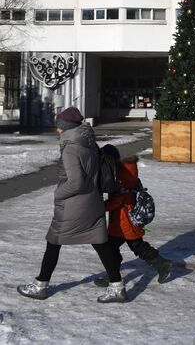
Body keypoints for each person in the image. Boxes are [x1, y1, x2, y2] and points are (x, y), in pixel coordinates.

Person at [17, 107, 127, 303]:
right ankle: (117, 287)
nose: (57, 129)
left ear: (65, 127)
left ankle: (40, 285)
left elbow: (76, 182)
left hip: (73, 206)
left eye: (59, 126)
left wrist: (58, 193)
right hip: (92, 202)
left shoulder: (70, 148)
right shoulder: (90, 143)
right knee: (100, 243)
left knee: (54, 242)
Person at [94, 145, 171, 288]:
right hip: (124, 221)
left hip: (125, 222)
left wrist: (101, 207)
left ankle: (162, 264)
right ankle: (112, 275)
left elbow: (120, 199)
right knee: (118, 248)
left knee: (133, 247)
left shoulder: (122, 175)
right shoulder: (127, 171)